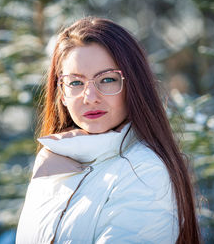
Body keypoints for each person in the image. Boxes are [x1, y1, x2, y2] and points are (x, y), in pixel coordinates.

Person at [16, 17, 201, 244]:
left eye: (107, 79)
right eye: (76, 82)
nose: (90, 97)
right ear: (61, 93)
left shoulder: (144, 171)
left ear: (133, 86)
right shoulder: (51, 165)